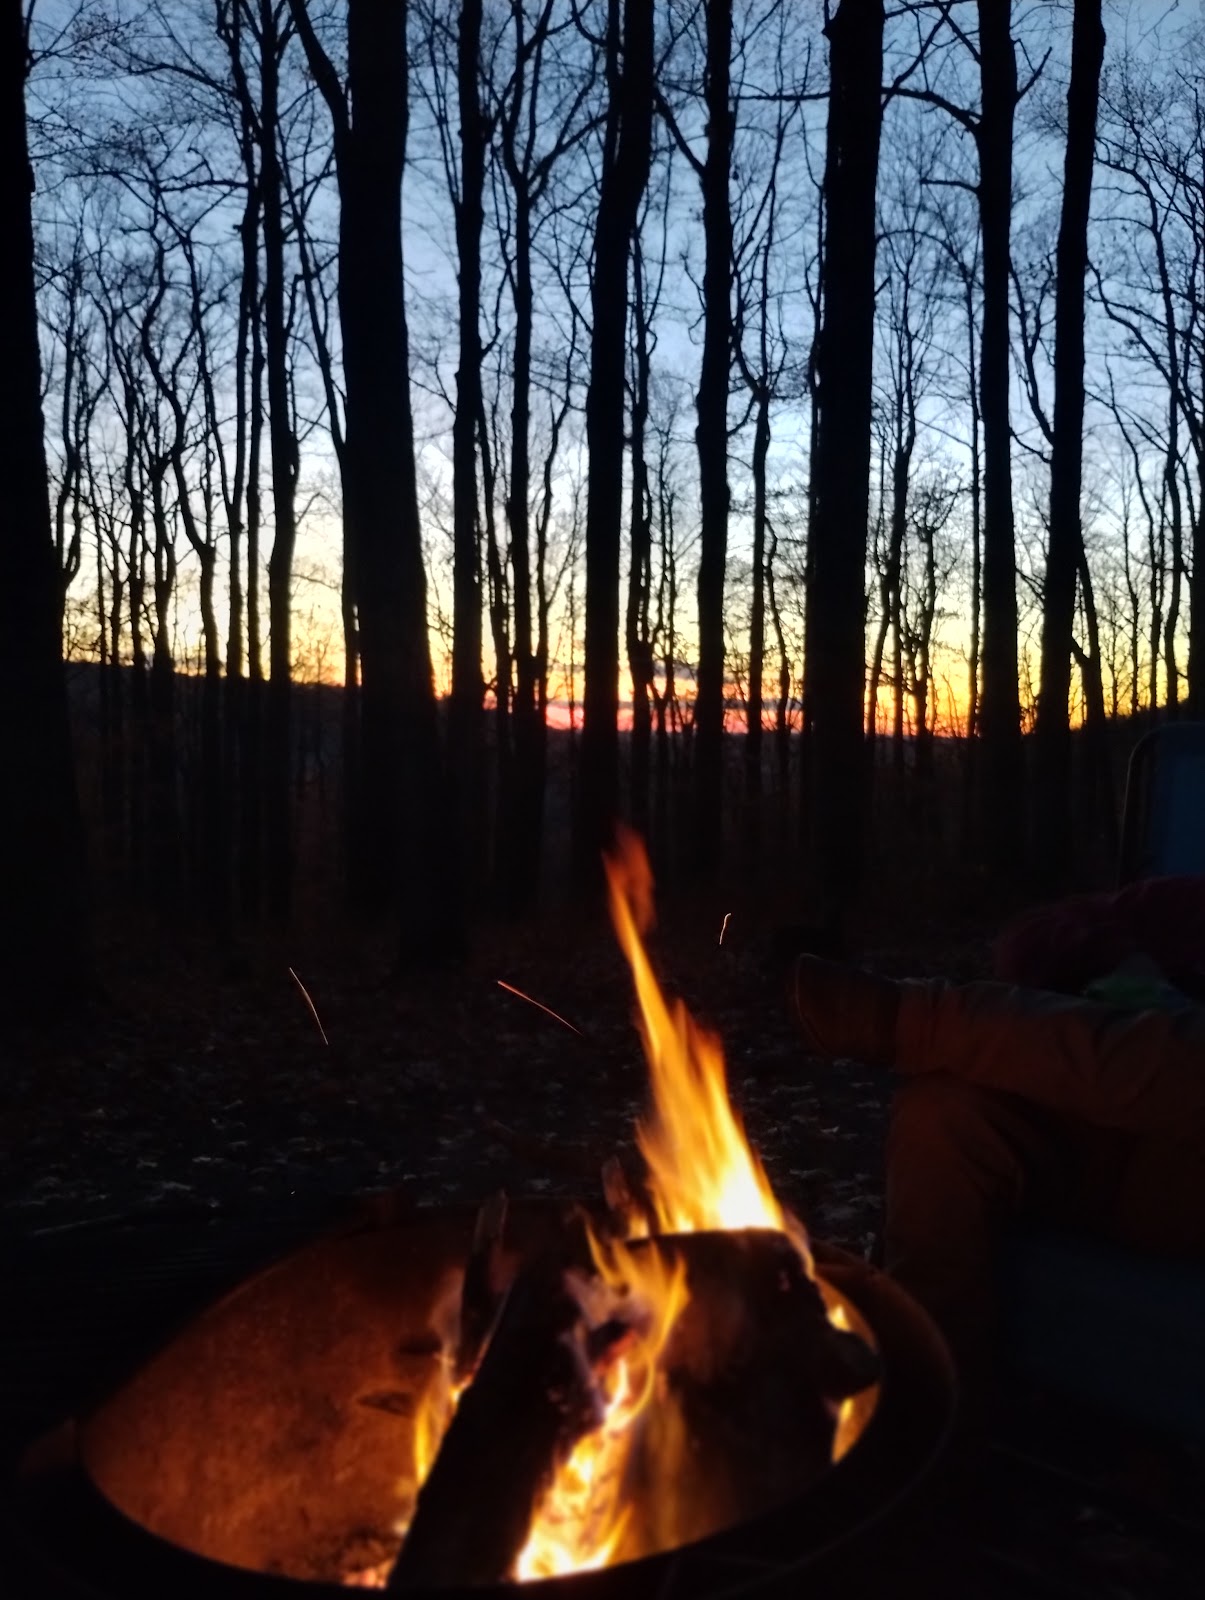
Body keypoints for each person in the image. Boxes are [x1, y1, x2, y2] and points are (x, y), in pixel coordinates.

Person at [787, 877, 1205, 1409]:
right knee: (948, 1114)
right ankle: (926, 1414)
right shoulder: (1188, 907)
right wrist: (1124, 964)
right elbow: (1043, 930)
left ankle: (911, 1020)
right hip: (1122, 1143)